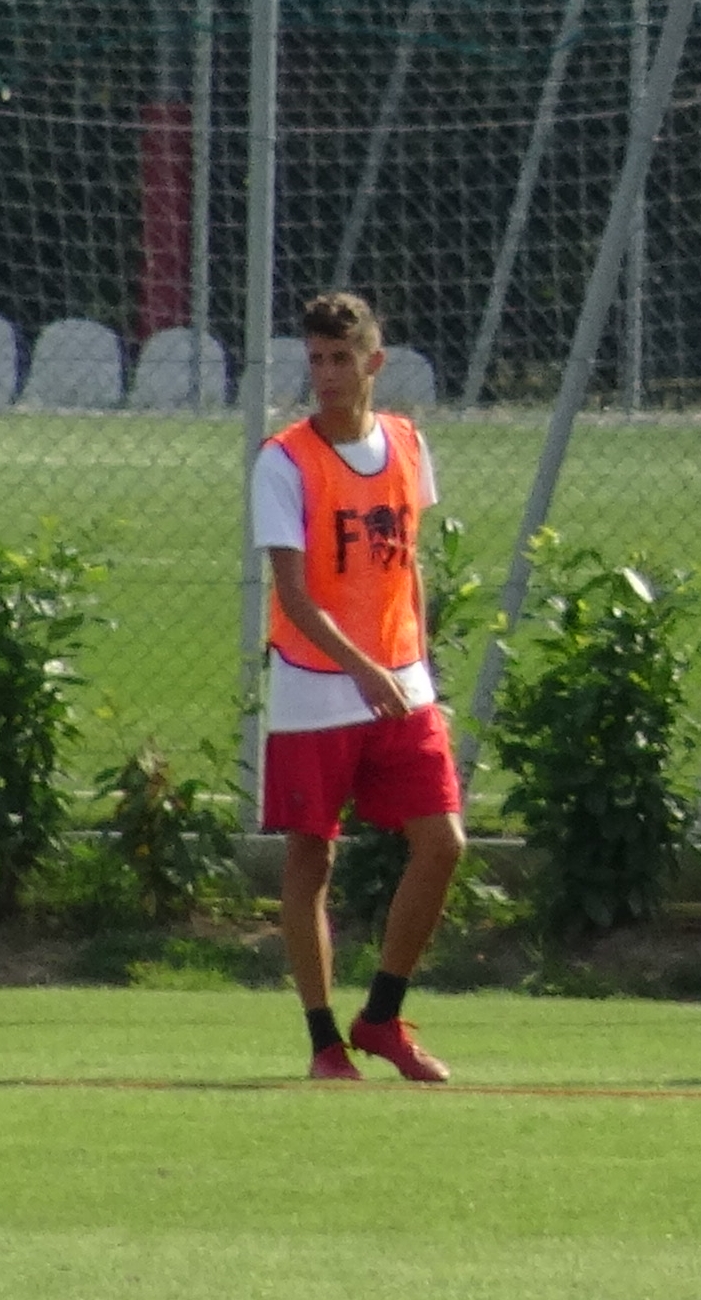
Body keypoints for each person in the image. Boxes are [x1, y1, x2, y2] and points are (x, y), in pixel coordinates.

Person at [253, 292, 466, 1081]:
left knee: (441, 843)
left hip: (399, 679)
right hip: (317, 684)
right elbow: (296, 595)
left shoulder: (409, 444)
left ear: (375, 363)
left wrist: (415, 666)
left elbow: (405, 567)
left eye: (342, 358)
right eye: (315, 359)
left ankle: (380, 1018)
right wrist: (363, 670)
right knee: (313, 856)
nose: (327, 374)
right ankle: (323, 1043)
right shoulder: (283, 459)